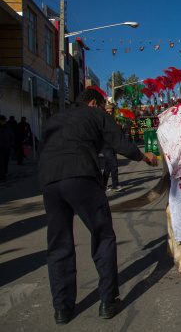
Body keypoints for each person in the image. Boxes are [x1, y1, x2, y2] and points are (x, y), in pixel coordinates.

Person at [39, 88, 158, 325]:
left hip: (49, 181)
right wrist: (146, 157)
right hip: (81, 176)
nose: (105, 110)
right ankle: (107, 301)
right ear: (94, 103)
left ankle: (62, 309)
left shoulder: (53, 119)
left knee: (58, 243)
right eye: (103, 106)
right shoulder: (97, 115)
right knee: (103, 236)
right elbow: (120, 143)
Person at [102, 105, 122, 192]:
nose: (109, 113)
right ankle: (115, 185)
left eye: (110, 111)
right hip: (105, 146)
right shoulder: (102, 120)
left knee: (108, 166)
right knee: (113, 164)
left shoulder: (113, 121)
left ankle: (103, 184)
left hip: (112, 146)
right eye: (107, 111)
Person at [0, 115, 14, 180]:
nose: (3, 122)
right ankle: (2, 175)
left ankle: (4, 173)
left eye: (4, 121)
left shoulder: (8, 128)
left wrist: (10, 144)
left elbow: (12, 136)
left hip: (7, 147)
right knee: (1, 162)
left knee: (5, 162)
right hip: (1, 148)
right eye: (2, 121)